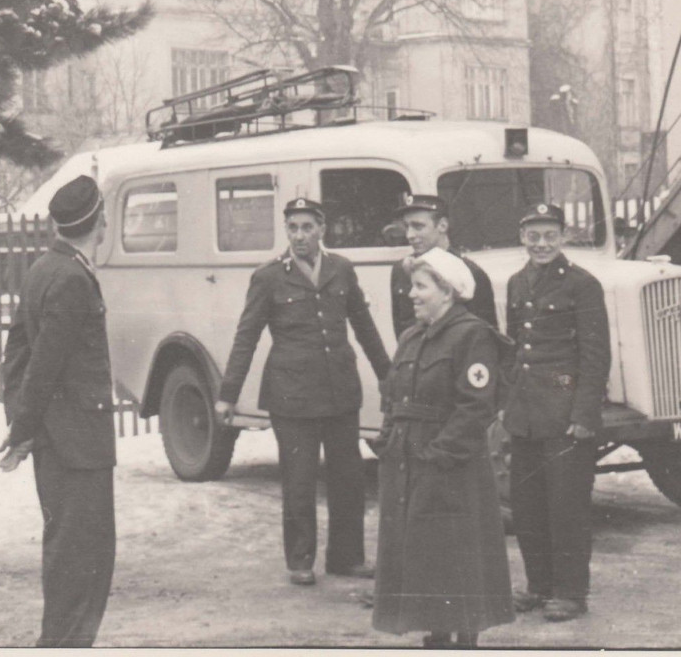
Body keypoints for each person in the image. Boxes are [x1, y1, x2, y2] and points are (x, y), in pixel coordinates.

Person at [215, 198, 391, 586]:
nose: (299, 236)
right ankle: (300, 560)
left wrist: (388, 377)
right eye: (292, 228)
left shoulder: (341, 270)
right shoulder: (269, 277)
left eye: (307, 227)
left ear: (321, 229)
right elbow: (246, 337)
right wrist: (228, 393)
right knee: (299, 479)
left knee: (348, 478)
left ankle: (347, 558)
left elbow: (364, 327)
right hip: (292, 396)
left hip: (339, 392)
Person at [372, 247, 514, 648]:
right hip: (409, 464)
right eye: (412, 286)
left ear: (448, 291)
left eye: (421, 286)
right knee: (424, 560)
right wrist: (387, 439)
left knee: (455, 559)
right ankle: (436, 639)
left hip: (452, 468)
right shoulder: (411, 337)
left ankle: (464, 641)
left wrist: (438, 455)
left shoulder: (472, 335)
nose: (411, 295)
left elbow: (476, 407)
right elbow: (393, 396)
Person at [0, 174, 116, 648]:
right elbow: (43, 365)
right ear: (97, 221)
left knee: (69, 556)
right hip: (77, 445)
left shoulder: (45, 267)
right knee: (84, 561)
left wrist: (22, 425)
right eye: (104, 213)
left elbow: (16, 355)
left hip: (60, 440)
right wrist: (22, 431)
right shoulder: (70, 279)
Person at [503, 203, 610, 622]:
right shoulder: (516, 282)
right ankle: (538, 586)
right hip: (526, 413)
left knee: (566, 507)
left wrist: (584, 416)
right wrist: (507, 404)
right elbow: (516, 349)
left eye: (550, 236)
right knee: (528, 507)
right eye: (534, 236)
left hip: (565, 414)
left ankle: (570, 593)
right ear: (522, 237)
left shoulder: (583, 285)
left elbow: (595, 355)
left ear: (563, 237)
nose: (542, 244)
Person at [390, 194, 497, 338]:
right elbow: (400, 329)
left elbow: (484, 337)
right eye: (407, 227)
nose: (409, 235)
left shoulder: (470, 272)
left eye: (418, 226)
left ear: (442, 225)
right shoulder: (401, 270)